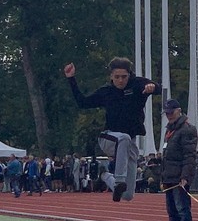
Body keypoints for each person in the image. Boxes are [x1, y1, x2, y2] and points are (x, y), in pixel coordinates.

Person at [64, 57, 158, 202]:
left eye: (124, 77)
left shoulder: (137, 85)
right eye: (117, 77)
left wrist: (152, 87)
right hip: (109, 138)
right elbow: (83, 103)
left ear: (129, 75)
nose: (120, 80)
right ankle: (119, 181)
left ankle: (105, 176)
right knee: (124, 138)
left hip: (130, 143)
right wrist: (71, 79)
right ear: (111, 76)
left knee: (127, 195)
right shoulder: (106, 92)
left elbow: (158, 87)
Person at [159, 98, 198, 221]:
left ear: (179, 111)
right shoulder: (169, 130)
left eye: (171, 112)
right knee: (172, 210)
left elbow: (189, 156)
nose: (169, 115)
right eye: (167, 113)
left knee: (182, 208)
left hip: (179, 177)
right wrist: (163, 176)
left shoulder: (187, 129)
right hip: (169, 176)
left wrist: (185, 177)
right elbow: (166, 156)